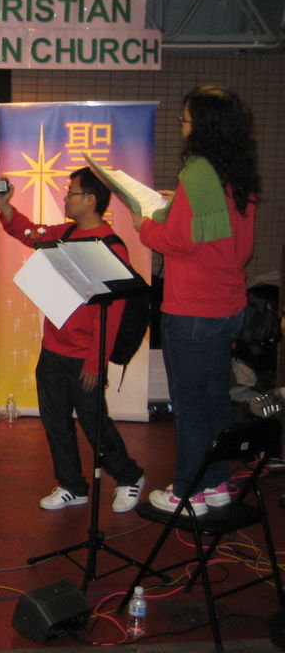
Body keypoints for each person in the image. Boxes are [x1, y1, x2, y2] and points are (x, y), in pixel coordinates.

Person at [133, 86, 258, 516]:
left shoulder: (199, 173)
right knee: (215, 399)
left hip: (192, 310)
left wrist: (145, 224)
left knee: (188, 405)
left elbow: (179, 241)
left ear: (202, 125)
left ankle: (187, 491)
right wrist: (175, 206)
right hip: (227, 305)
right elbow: (232, 243)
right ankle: (216, 483)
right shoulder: (235, 172)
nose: (182, 127)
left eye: (184, 119)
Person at [0, 168, 145, 512]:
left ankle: (128, 475)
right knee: (55, 420)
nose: (66, 197)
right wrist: (5, 205)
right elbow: (28, 232)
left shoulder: (110, 246)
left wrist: (96, 362)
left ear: (90, 200)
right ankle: (71, 485)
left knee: (95, 424)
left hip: (84, 355)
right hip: (53, 348)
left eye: (72, 192)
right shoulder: (66, 233)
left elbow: (115, 311)